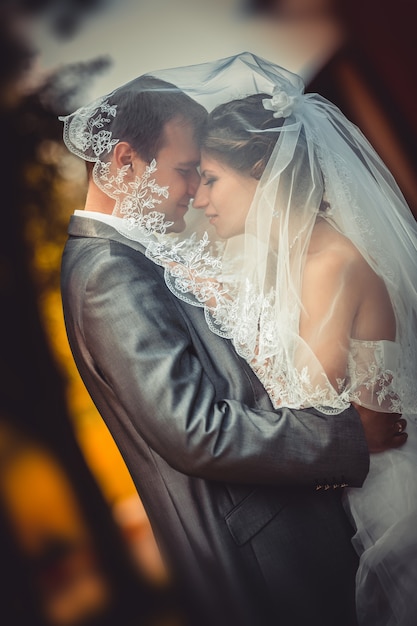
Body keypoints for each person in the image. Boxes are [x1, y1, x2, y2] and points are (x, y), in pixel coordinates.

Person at [59, 68, 403, 626]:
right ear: (124, 162)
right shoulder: (108, 273)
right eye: (186, 171)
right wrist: (346, 436)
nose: (195, 193)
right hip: (264, 556)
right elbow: (195, 431)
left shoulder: (137, 257)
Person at [151, 53, 417, 626]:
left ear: (265, 168)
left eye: (213, 179)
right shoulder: (293, 266)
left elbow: (307, 404)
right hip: (351, 490)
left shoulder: (330, 264)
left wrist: (222, 310)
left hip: (391, 500)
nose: (198, 198)